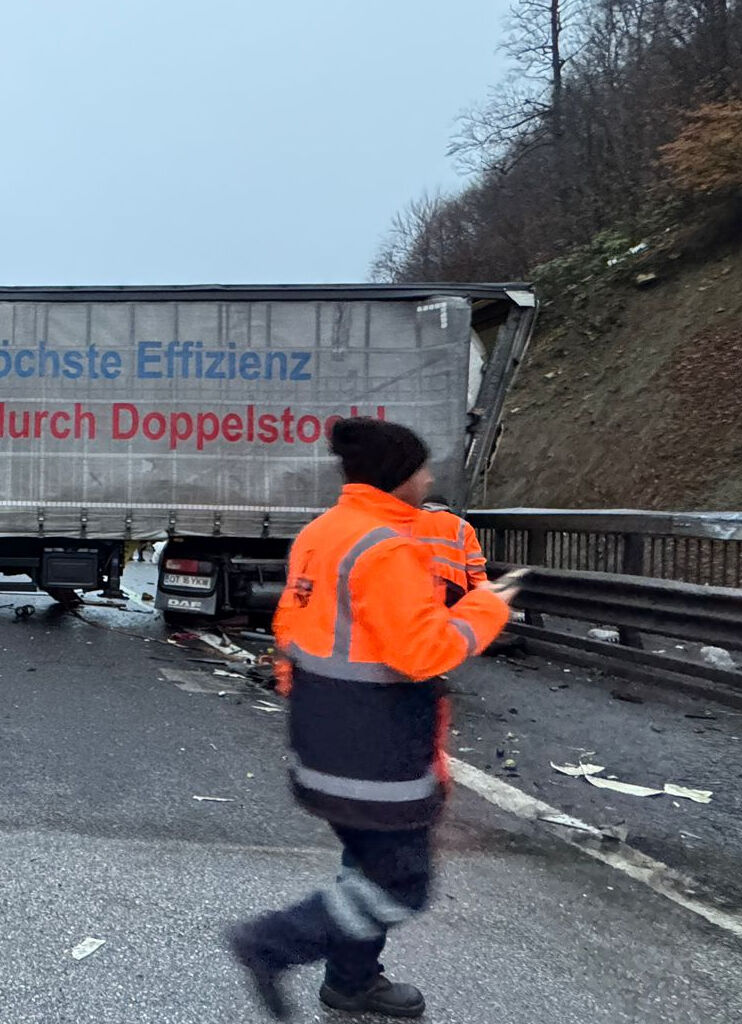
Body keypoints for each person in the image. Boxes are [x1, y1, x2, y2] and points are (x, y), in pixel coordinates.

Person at [226, 418, 521, 1020]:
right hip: (378, 750)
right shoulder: (388, 548)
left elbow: (291, 631)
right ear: (400, 478)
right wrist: (488, 607)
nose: (430, 479)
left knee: (366, 868)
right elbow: (424, 653)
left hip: (324, 735)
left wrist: (311, 702)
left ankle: (352, 982)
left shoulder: (323, 532)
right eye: (423, 469)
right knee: (400, 885)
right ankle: (271, 944)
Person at [415, 497, 488, 607]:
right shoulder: (462, 526)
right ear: (446, 507)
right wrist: (482, 589)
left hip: (418, 587)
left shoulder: (410, 521)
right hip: (453, 591)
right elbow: (475, 565)